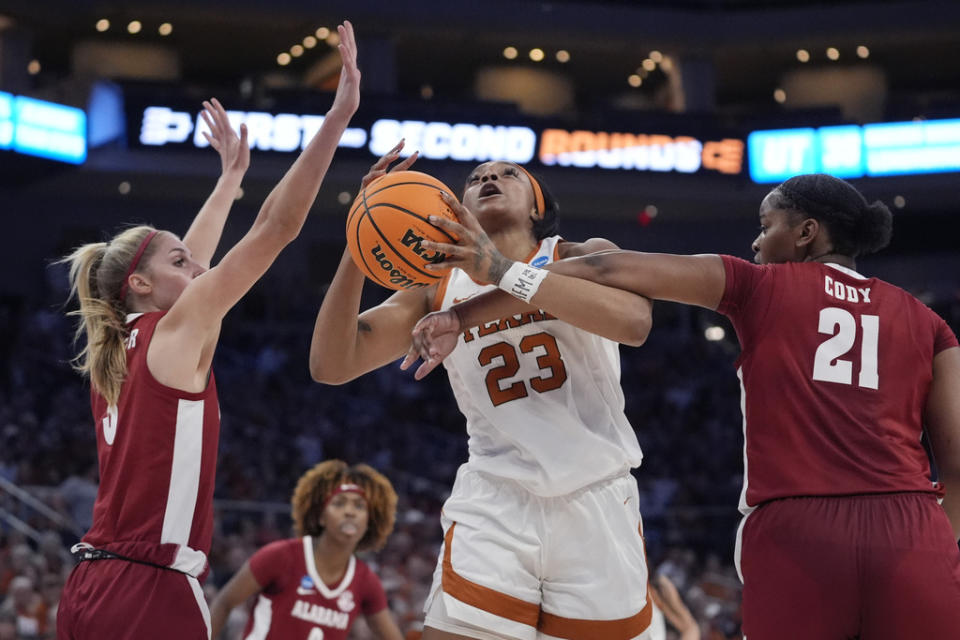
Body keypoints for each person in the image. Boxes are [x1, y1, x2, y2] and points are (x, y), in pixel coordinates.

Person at [404, 173, 960, 640]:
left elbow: (604, 271)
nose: (757, 244)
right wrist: (927, 551)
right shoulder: (930, 323)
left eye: (767, 228)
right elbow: (957, 466)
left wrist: (487, 283)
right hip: (913, 526)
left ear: (806, 234)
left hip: (800, 526)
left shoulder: (761, 284)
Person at [55, 21, 361, 640]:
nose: (200, 270)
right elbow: (278, 226)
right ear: (140, 284)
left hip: (87, 590)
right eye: (178, 264)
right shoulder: (176, 331)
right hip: (149, 587)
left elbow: (192, 259)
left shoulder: (123, 346)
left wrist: (228, 181)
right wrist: (339, 114)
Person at [310, 152, 656, 639]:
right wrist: (361, 233)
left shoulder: (577, 254)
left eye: (508, 174)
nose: (489, 178)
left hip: (596, 495)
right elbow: (332, 363)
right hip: (496, 498)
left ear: (538, 208)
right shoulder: (435, 288)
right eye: (476, 178)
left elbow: (635, 322)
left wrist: (499, 269)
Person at [209, 460, 403, 640]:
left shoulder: (366, 581)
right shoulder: (281, 555)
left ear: (369, 521)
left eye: (359, 506)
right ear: (320, 516)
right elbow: (224, 602)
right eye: (339, 503)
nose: (350, 512)